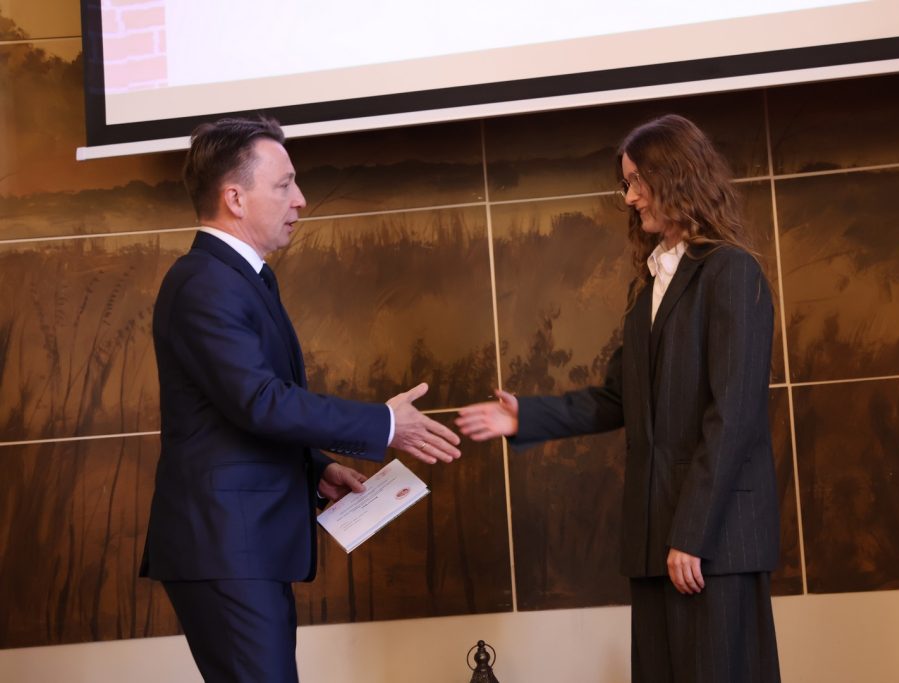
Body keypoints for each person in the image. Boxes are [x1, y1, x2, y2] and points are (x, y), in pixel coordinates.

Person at [456, 114, 781, 683]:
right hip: (657, 541)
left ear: (677, 176)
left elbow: (733, 416)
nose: (629, 198)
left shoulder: (732, 271)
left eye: (637, 182)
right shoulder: (648, 284)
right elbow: (618, 398)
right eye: (626, 184)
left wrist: (692, 534)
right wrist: (525, 418)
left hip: (713, 543)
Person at [140, 115, 461, 682]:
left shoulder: (238, 278)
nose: (301, 200)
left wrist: (314, 469)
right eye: (285, 184)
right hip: (225, 545)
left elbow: (235, 412)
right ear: (234, 198)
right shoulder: (205, 282)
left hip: (243, 546)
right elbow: (261, 400)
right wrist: (386, 424)